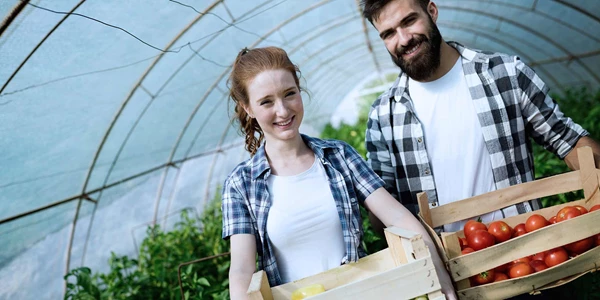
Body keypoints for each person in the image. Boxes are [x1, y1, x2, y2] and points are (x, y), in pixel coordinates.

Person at [221, 46, 456, 300]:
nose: (283, 110)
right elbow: (242, 271)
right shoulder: (241, 185)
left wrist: (441, 278)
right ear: (248, 108)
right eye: (266, 101)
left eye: (289, 94)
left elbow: (399, 219)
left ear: (300, 90)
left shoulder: (339, 156)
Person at [360, 0, 600, 233]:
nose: (403, 39)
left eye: (410, 21)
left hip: (523, 249)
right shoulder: (384, 116)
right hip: (441, 266)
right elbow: (383, 209)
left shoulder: (504, 74)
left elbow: (567, 140)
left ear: (432, 11)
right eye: (389, 34)